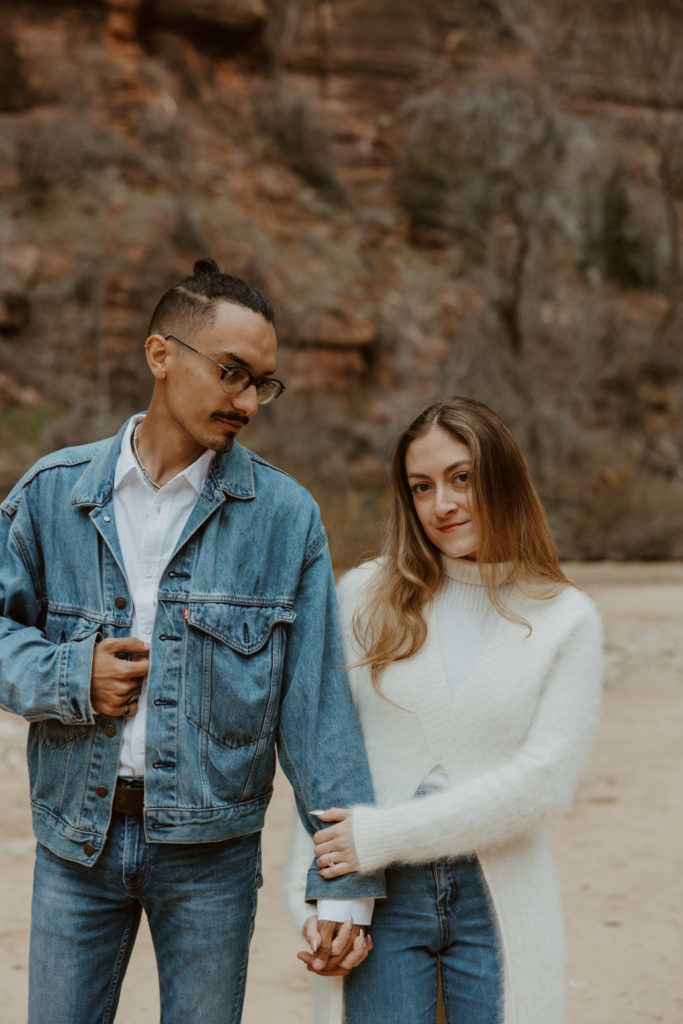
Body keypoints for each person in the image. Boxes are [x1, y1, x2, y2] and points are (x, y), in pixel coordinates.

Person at [0, 258, 383, 1024]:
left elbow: (314, 707)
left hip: (213, 854)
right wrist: (71, 676)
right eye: (233, 374)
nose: (247, 402)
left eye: (262, 384)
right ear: (160, 353)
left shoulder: (285, 517)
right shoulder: (52, 493)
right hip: (76, 842)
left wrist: (345, 879)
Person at [287, 395, 604, 1024]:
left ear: (503, 477)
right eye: (421, 486)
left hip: (498, 893)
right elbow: (323, 753)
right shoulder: (364, 598)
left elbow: (544, 781)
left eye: (462, 478)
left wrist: (381, 836)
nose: (442, 504)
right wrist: (316, 905)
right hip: (376, 895)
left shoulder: (567, 619)